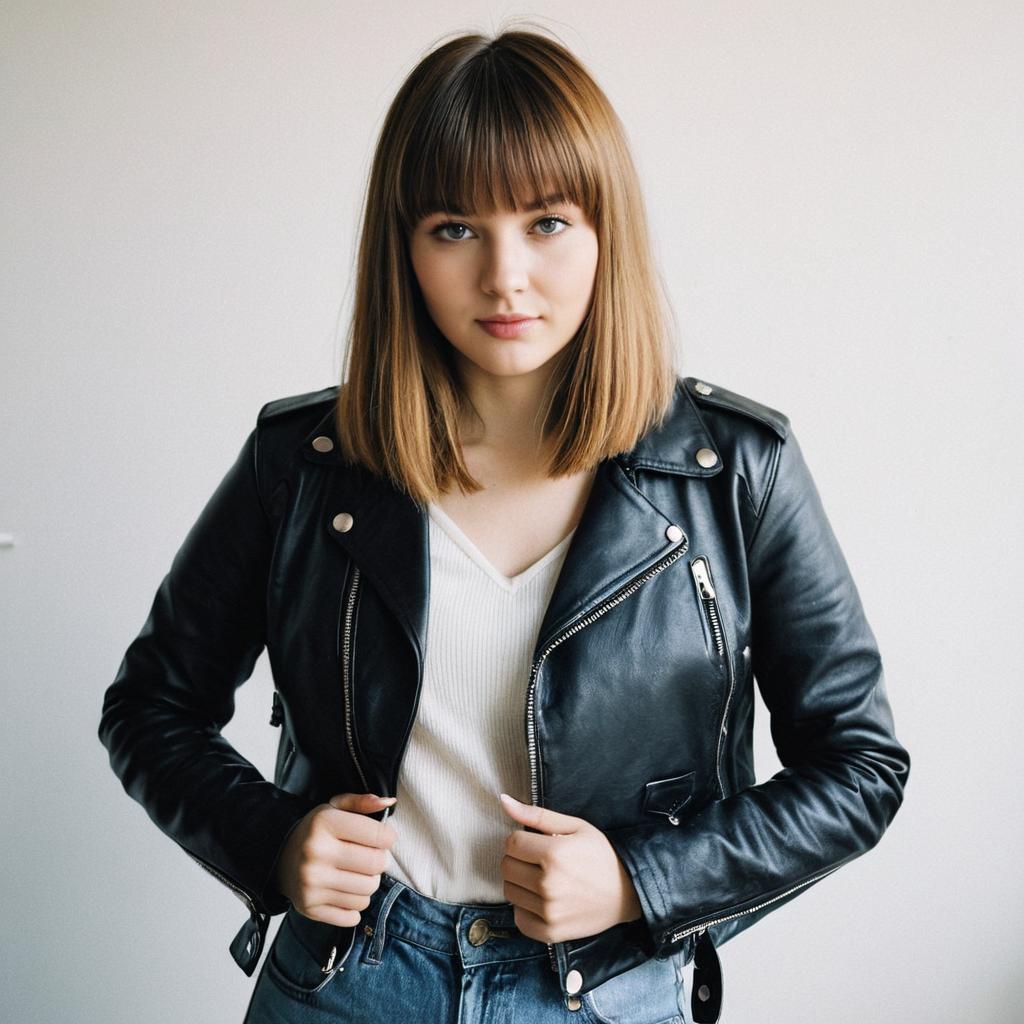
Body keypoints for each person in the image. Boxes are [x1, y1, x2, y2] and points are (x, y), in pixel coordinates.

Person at [98, 25, 911, 1024]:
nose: (504, 277)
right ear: (401, 246)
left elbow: (859, 766)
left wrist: (636, 882)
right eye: (453, 228)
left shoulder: (733, 469)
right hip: (348, 986)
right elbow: (151, 706)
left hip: (610, 993)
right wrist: (273, 842)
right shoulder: (303, 464)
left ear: (604, 229)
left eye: (547, 222)